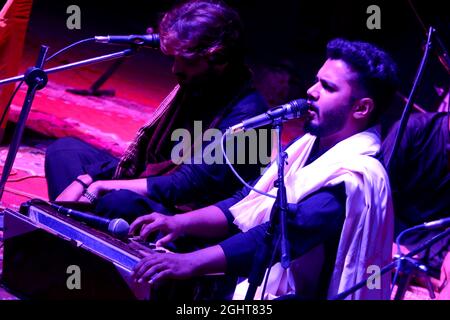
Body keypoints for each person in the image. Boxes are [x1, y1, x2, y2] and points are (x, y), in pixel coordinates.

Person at [130, 38, 399, 300]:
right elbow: (247, 202)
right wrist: (179, 223)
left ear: (361, 108)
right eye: (317, 80)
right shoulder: (307, 145)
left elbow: (282, 235)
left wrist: (190, 263)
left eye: (327, 87)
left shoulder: (355, 176)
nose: (311, 90)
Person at [45, 0, 270, 222]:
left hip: (190, 219)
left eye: (187, 61)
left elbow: (187, 186)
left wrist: (101, 185)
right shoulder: (194, 88)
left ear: (218, 57)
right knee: (63, 150)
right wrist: (88, 179)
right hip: (165, 188)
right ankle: (79, 226)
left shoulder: (251, 116)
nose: (175, 69)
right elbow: (150, 167)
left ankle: (74, 229)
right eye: (174, 59)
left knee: (119, 202)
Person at [380, 112, 450, 281]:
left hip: (428, 257)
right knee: (371, 283)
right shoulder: (413, 128)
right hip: (381, 241)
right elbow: (374, 197)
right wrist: (384, 245)